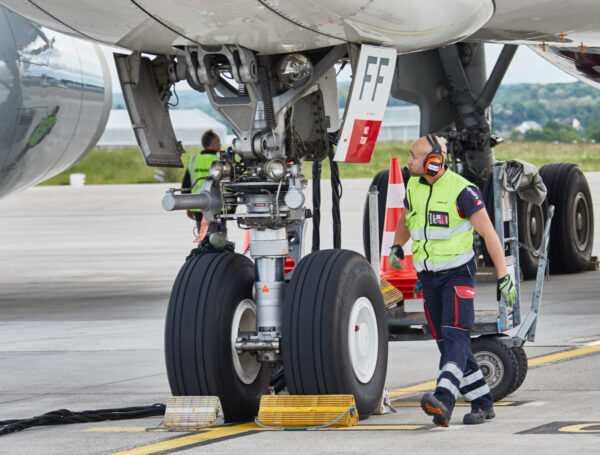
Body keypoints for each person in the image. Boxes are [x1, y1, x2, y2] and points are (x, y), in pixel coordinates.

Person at [389, 135, 517, 427]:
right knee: (447, 342)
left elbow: (489, 234)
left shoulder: (462, 191)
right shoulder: (413, 185)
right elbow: (408, 218)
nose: (407, 161)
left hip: (458, 274)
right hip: (429, 277)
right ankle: (483, 403)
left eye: (412, 156)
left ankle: (444, 399)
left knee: (456, 336)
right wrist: (397, 246)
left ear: (433, 163)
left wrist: (503, 277)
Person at [181, 129, 226, 239]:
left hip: (199, 208)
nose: (220, 145)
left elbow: (186, 185)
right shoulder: (221, 161)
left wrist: (188, 206)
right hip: (219, 208)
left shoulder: (194, 160)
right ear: (214, 143)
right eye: (219, 143)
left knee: (203, 240)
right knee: (219, 242)